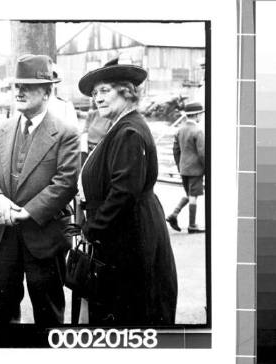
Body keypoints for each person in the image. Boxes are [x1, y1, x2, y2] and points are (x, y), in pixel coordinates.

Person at [0, 54, 80, 325]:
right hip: (3, 235)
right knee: (5, 310)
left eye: (28, 85)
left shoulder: (66, 132)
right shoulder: (1, 129)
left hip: (44, 237)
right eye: (17, 86)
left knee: (49, 312)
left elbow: (66, 182)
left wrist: (27, 212)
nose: (19, 91)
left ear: (47, 92)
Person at [77, 58, 178, 325]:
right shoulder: (121, 126)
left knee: (132, 311)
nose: (97, 98)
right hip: (125, 232)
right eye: (95, 93)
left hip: (130, 235)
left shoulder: (129, 131)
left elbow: (124, 192)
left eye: (104, 90)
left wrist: (92, 228)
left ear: (126, 91)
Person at [166, 102, 206, 233]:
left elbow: (175, 151)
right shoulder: (198, 131)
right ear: (196, 115)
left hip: (183, 168)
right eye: (201, 114)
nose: (201, 116)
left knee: (188, 194)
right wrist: (207, 169)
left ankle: (174, 214)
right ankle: (192, 225)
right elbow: (202, 153)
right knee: (193, 196)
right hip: (195, 170)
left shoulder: (180, 130)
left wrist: (179, 166)